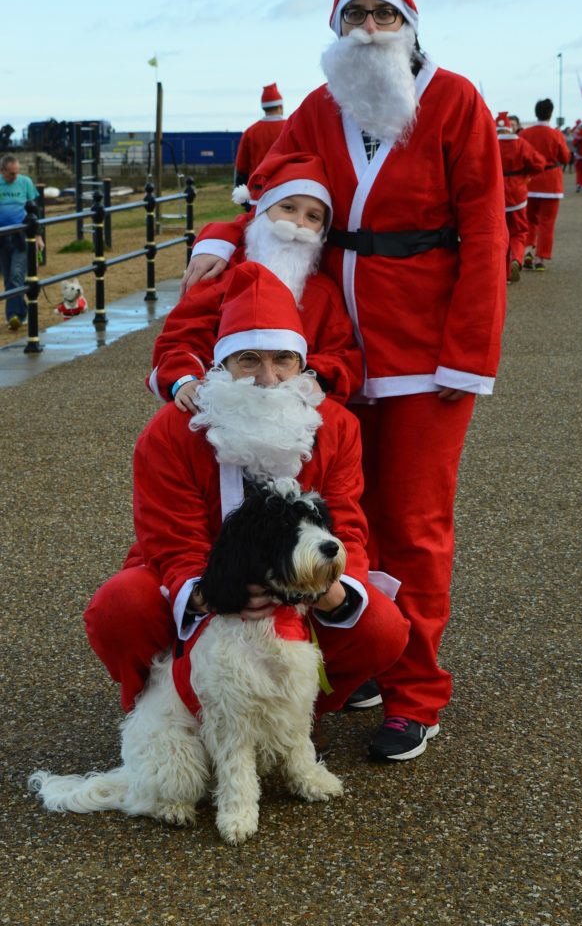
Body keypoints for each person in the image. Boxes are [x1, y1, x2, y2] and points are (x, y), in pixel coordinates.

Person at [179, 0, 507, 761]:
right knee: (334, 519)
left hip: (426, 355)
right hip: (325, 358)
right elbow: (264, 194)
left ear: (409, 23)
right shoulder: (319, 109)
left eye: (382, 12)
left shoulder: (457, 101)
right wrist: (222, 239)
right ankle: (364, 652)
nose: (367, 27)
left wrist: (467, 356)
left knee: (416, 526)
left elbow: (484, 234)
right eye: (353, 13)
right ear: (335, 26)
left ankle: (416, 689)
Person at [84, 262, 410, 751]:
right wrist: (211, 593)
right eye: (249, 360)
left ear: (303, 365)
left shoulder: (337, 427)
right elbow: (172, 538)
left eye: (284, 360)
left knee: (381, 626)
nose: (268, 379)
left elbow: (347, 528)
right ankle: (157, 719)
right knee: (119, 607)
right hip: (197, 575)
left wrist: (332, 591)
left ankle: (291, 722)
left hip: (299, 581)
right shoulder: (172, 431)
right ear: (222, 365)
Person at [149, 152, 363, 408]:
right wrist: (184, 380)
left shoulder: (323, 292)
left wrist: (318, 380)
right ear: (263, 211)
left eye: (313, 217)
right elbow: (181, 338)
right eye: (288, 208)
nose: (297, 223)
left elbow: (343, 354)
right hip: (220, 408)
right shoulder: (220, 276)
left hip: (295, 413)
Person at [495, 111, 545, 281]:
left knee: (500, 232)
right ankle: (516, 258)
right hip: (517, 191)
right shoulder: (521, 144)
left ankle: (504, 272)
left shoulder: (490, 143)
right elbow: (539, 163)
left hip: (497, 191)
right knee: (520, 230)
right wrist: (525, 175)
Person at [522, 99, 570, 270]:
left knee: (528, 220)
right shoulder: (556, 134)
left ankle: (527, 250)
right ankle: (540, 257)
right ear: (551, 113)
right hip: (551, 182)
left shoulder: (525, 134)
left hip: (530, 182)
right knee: (547, 222)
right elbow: (565, 158)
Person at [0, 154, 43, 330]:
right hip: (2, 237)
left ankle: (14, 316)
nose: (14, 176)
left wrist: (38, 235)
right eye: (11, 173)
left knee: (16, 275)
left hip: (21, 236)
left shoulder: (25, 182)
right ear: (2, 171)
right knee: (8, 277)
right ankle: (21, 311)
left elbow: (35, 211)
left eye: (16, 172)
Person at [233, 83, 286, 187]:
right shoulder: (289, 127)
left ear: (264, 108)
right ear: (280, 106)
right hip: (284, 187)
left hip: (258, 190)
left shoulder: (251, 131)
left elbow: (241, 167)